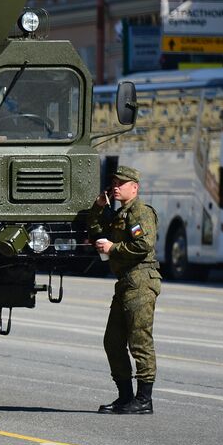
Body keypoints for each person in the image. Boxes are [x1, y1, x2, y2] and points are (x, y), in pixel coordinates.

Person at [87, 165, 160, 414]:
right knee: (113, 341)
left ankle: (144, 399)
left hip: (140, 280)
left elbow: (144, 244)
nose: (116, 186)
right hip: (125, 282)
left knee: (139, 340)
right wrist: (99, 206)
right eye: (114, 183)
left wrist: (113, 249)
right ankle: (125, 396)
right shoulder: (120, 215)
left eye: (121, 183)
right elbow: (95, 228)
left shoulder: (140, 212)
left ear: (135, 187)